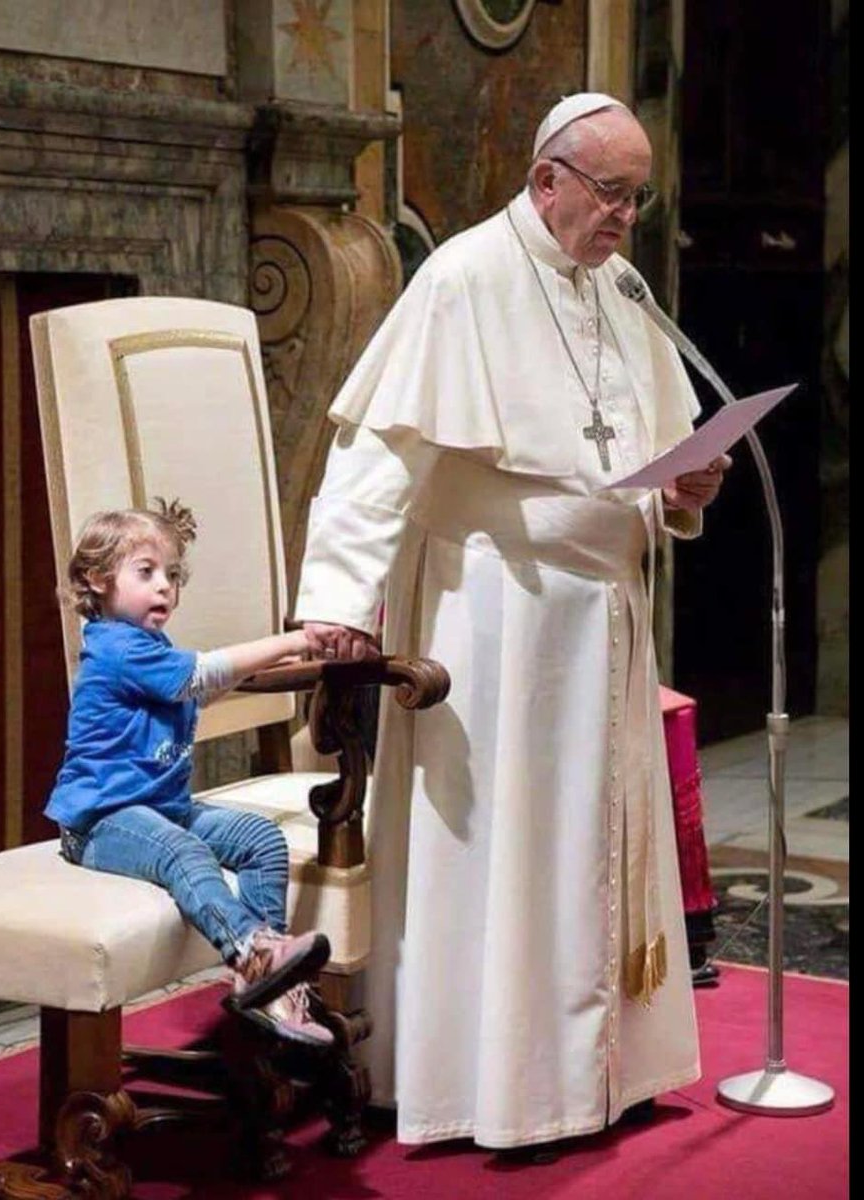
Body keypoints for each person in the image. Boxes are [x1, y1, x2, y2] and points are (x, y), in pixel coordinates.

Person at [294, 92, 731, 1148]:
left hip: (607, 624)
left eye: (638, 196)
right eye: (612, 194)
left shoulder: (618, 287)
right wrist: (339, 609)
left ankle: (597, 1076)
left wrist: (684, 492)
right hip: (498, 620)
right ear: (548, 180)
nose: (627, 217)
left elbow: (646, 445)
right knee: (511, 848)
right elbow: (378, 459)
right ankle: (493, 1084)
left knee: (593, 847)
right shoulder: (465, 279)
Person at [46, 498, 351, 1048]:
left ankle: (266, 987)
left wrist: (285, 658)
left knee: (261, 838)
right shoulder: (116, 649)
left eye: (173, 574)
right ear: (97, 579)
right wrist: (299, 639)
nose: (165, 586)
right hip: (102, 822)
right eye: (147, 572)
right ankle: (253, 952)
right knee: (186, 853)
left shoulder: (150, 648)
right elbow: (202, 675)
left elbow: (204, 685)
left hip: (161, 808)